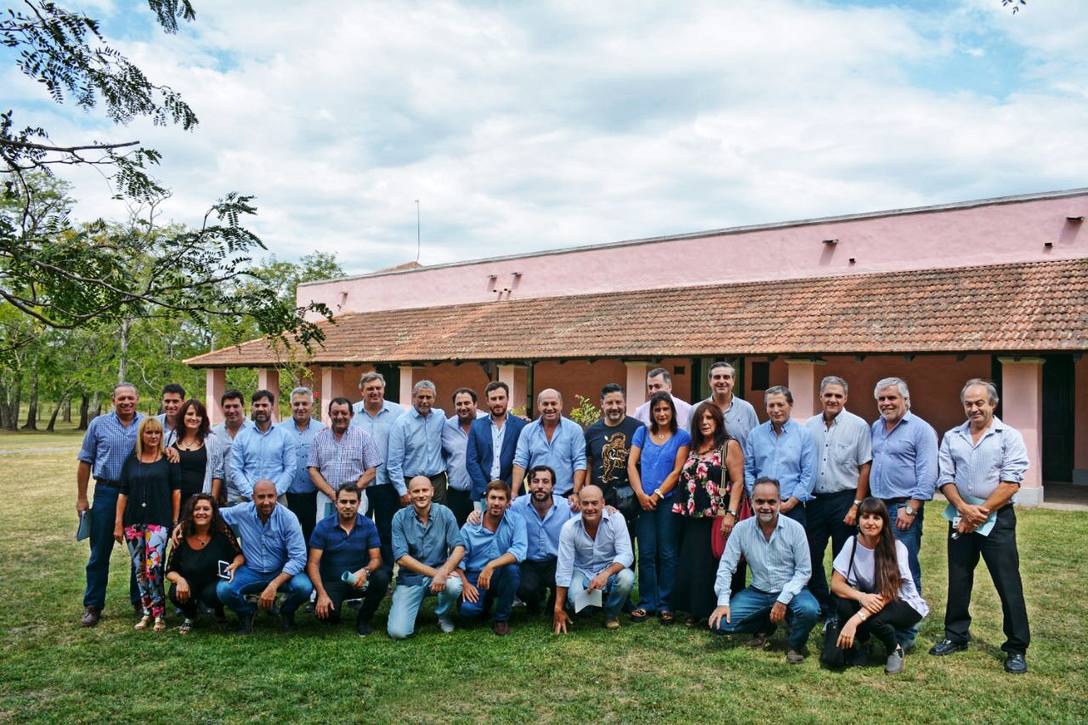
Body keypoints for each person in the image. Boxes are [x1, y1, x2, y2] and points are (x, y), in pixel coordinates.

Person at [930, 379, 1031, 675]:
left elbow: (1011, 481)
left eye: (979, 403)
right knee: (958, 579)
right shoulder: (952, 436)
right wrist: (962, 509)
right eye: (968, 404)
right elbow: (945, 477)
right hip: (960, 516)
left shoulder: (1008, 436)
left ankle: (1016, 647)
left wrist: (980, 513)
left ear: (993, 404)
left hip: (996, 518)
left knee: (1007, 583)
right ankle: (955, 635)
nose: (974, 408)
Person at [709, 478, 819, 664]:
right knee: (719, 625)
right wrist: (723, 602)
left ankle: (795, 644)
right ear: (752, 502)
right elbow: (726, 566)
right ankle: (766, 624)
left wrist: (782, 600)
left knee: (810, 611)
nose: (765, 507)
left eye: (771, 502)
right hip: (758, 592)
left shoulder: (795, 529)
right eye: (760, 501)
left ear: (779, 502)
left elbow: (803, 572)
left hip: (791, 592)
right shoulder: (741, 529)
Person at [869, 376, 938, 649]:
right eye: (882, 399)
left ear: (906, 400)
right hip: (877, 508)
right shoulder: (876, 427)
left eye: (892, 398)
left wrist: (912, 507)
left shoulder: (921, 430)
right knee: (879, 566)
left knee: (905, 568)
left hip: (902, 507)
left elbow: (929, 472)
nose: (886, 403)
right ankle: (884, 621)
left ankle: (907, 632)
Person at [824, 498, 928, 674]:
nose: (870, 522)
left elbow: (889, 592)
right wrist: (861, 597)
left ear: (884, 522)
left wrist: (854, 621)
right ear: (858, 520)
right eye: (865, 517)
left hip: (902, 601)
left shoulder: (896, 547)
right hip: (871, 597)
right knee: (841, 602)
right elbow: (835, 584)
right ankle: (865, 644)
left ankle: (894, 649)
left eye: (876, 518)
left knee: (872, 619)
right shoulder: (852, 543)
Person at [804, 376, 872, 622]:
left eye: (838, 396)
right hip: (814, 501)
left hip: (845, 500)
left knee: (843, 558)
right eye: (828, 395)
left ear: (845, 398)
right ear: (820, 396)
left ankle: (842, 609)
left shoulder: (859, 426)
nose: (833, 399)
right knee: (810, 555)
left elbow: (865, 467)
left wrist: (856, 504)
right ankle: (823, 605)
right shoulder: (808, 427)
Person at [77, 382, 145, 627]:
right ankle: (93, 605)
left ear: (137, 399)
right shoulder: (98, 424)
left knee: (139, 551)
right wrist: (82, 497)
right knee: (99, 552)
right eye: (121, 398)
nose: (126, 402)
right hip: (106, 491)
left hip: (138, 494)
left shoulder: (145, 424)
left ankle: (140, 601)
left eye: (130, 398)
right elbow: (85, 462)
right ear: (113, 400)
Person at [672, 401, 745, 626]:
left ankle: (717, 609)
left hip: (718, 516)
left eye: (709, 418)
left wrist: (731, 514)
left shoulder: (728, 445)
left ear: (718, 421)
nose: (705, 422)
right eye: (700, 419)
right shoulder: (694, 447)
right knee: (694, 564)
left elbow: (738, 481)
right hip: (693, 515)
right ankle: (695, 610)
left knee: (715, 562)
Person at [214, 479, 313, 634]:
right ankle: (247, 611)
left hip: (280, 571)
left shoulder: (288, 518)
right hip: (251, 570)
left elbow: (299, 558)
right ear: (253, 497)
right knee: (223, 589)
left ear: (276, 496)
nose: (266, 502)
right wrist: (184, 523)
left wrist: (273, 585)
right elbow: (211, 513)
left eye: (270, 496)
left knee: (304, 587)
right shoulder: (242, 511)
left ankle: (286, 612)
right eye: (261, 497)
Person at [112, 416, 181, 632]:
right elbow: (123, 493)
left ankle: (160, 614)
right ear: (141, 435)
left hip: (158, 522)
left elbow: (176, 492)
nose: (153, 436)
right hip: (133, 522)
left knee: (153, 568)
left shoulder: (168, 460)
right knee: (140, 570)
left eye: (157, 433)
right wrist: (118, 523)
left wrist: (174, 521)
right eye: (149, 432)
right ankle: (146, 612)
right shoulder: (132, 460)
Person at [628, 391, 690, 624]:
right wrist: (641, 494)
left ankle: (666, 604)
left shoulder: (681, 437)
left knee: (667, 553)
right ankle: (647, 602)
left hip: (667, 501)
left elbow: (677, 470)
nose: (662, 413)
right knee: (645, 552)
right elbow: (631, 464)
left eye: (666, 409)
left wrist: (658, 494)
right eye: (657, 409)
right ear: (651, 412)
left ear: (672, 411)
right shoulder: (641, 433)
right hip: (643, 502)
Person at [306, 485, 391, 637]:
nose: (348, 506)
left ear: (359, 503)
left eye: (352, 502)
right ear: (336, 503)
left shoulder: (368, 525)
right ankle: (331, 607)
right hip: (332, 582)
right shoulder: (323, 527)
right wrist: (321, 593)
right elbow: (312, 563)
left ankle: (364, 619)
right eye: (343, 501)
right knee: (327, 617)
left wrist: (365, 571)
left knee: (382, 577)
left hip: (359, 580)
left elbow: (376, 559)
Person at [387, 476, 465, 639]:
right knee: (398, 632)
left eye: (424, 490)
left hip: (440, 575)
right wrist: (435, 574)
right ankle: (404, 602)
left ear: (432, 491)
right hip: (410, 579)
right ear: (409, 494)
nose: (421, 495)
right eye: (416, 491)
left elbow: (458, 547)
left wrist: (443, 572)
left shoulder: (445, 513)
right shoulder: (399, 518)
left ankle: (442, 615)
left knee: (454, 585)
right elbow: (401, 558)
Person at [553, 485, 635, 632]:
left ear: (603, 503)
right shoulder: (569, 528)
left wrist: (605, 574)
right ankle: (595, 604)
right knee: (576, 601)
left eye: (594, 503)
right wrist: (558, 607)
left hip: (609, 569)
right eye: (585, 503)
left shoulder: (616, 519)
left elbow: (627, 554)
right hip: (582, 571)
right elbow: (564, 567)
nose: (590, 508)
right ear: (580, 503)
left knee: (627, 578)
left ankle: (611, 614)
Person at [350, 371, 405, 574]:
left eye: (378, 388)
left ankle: (386, 572)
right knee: (358, 530)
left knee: (386, 531)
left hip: (387, 483)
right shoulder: (352, 413)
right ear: (362, 390)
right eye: (370, 389)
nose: (374, 392)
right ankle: (360, 572)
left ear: (383, 389)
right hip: (358, 483)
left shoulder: (398, 413)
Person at [165, 494, 243, 634]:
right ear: (191, 513)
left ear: (213, 513)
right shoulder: (182, 535)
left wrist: (236, 564)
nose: (201, 512)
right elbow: (170, 569)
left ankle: (219, 612)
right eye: (197, 509)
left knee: (213, 593)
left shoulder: (222, 531)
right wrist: (179, 579)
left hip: (214, 582)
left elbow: (238, 554)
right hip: (190, 582)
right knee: (175, 592)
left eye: (206, 509)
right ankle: (190, 615)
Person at [458, 480, 527, 635]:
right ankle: (484, 602)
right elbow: (458, 559)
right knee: (467, 613)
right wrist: (465, 584)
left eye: (501, 499)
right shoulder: (471, 525)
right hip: (475, 575)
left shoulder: (517, 521)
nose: (496, 503)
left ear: (508, 502)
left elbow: (519, 551)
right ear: (486, 500)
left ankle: (501, 619)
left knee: (512, 570)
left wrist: (491, 566)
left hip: (500, 573)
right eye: (493, 498)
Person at [743, 386, 817, 524]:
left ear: (790, 405)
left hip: (792, 507)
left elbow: (809, 473)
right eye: (771, 405)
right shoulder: (755, 435)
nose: (776, 410)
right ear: (766, 407)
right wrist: (755, 499)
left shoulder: (804, 435)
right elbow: (748, 470)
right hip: (761, 506)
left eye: (780, 404)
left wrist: (790, 503)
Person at [507, 465, 574, 615]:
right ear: (529, 485)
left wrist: (609, 509)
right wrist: (478, 515)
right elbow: (497, 518)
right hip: (529, 562)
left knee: (567, 578)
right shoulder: (517, 506)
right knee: (524, 588)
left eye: (545, 482)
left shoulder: (566, 507)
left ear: (553, 486)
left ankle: (554, 605)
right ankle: (534, 601)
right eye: (535, 481)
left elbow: (588, 515)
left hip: (556, 561)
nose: (540, 486)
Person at [308, 397, 381, 523]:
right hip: (326, 496)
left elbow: (371, 471)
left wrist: (351, 493)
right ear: (329, 414)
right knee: (326, 534)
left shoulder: (363, 437)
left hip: (354, 498)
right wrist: (332, 494)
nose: (339, 416)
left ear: (351, 415)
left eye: (344, 413)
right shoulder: (318, 438)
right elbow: (312, 470)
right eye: (335, 413)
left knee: (354, 535)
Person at [583, 384, 643, 528]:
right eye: (610, 403)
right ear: (602, 404)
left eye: (618, 402)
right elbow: (588, 463)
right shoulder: (592, 431)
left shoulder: (638, 428)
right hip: (601, 501)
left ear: (625, 403)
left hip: (631, 500)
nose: (614, 407)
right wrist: (587, 491)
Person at [512, 388, 587, 498]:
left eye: (553, 403)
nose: (549, 408)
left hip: (567, 496)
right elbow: (520, 462)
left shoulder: (574, 430)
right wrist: (514, 492)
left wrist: (576, 493)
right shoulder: (527, 431)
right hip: (536, 495)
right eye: (545, 404)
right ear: (539, 406)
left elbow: (579, 462)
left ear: (561, 405)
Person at [466, 381, 527, 507]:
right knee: (483, 526)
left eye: (501, 398)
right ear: (487, 401)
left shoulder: (521, 426)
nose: (498, 402)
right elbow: (471, 461)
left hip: (512, 495)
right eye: (493, 399)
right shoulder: (476, 426)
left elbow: (523, 461)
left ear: (507, 399)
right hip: (482, 494)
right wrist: (486, 490)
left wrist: (507, 489)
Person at [387, 380, 448, 504]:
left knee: (439, 520)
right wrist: (402, 491)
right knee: (413, 521)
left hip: (437, 482)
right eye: (420, 397)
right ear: (413, 397)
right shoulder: (401, 424)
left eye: (428, 397)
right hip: (411, 482)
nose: (424, 401)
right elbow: (394, 464)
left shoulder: (440, 417)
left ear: (434, 398)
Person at [230, 389, 296, 503]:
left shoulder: (285, 436)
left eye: (265, 405)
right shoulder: (241, 437)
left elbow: (290, 468)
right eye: (257, 405)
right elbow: (235, 469)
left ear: (272, 408)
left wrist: (274, 493)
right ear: (251, 408)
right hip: (248, 498)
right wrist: (251, 493)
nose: (260, 409)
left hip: (277, 498)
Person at [279, 386, 326, 544]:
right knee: (287, 537)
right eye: (296, 404)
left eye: (305, 404)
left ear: (312, 406)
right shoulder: (279, 430)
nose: (301, 408)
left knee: (312, 537)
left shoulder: (323, 430)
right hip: (287, 495)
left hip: (313, 495)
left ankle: (310, 568)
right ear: (290, 405)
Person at [172, 398, 226, 513]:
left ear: (203, 418)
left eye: (199, 415)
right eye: (190, 414)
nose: (194, 418)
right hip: (172, 500)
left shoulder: (212, 440)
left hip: (200, 502)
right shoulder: (169, 438)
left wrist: (212, 502)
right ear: (182, 416)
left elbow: (217, 473)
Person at [442, 387, 484, 525]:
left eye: (467, 403)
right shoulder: (447, 426)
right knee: (457, 536)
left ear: (476, 404)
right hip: (456, 494)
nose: (463, 407)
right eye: (459, 404)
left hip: (481, 492)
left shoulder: (487, 422)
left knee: (481, 532)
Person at [210, 390, 254, 505]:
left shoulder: (254, 431)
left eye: (236, 406)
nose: (231, 410)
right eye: (227, 407)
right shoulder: (214, 433)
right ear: (222, 408)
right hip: (224, 497)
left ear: (243, 406)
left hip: (251, 495)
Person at [704, 361, 759, 447]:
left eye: (726, 377)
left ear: (733, 380)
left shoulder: (747, 409)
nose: (722, 381)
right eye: (717, 377)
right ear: (710, 381)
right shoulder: (697, 410)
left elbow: (756, 442)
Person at [633, 367, 692, 437]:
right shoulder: (640, 412)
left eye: (657, 386)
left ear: (669, 387)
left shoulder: (687, 410)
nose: (653, 391)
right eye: (650, 387)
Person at [156, 383, 186, 447]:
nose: (171, 405)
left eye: (175, 401)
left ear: (183, 402)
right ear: (162, 401)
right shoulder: (154, 422)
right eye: (167, 401)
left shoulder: (191, 424)